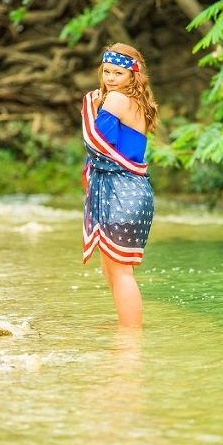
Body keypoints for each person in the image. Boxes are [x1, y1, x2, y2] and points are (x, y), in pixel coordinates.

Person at [81, 43, 159, 327]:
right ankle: (127, 334)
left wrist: (88, 110)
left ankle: (131, 341)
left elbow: (97, 145)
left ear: (132, 76)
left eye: (118, 73)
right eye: (107, 72)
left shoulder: (115, 100)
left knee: (120, 271)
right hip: (132, 189)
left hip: (120, 191)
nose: (111, 79)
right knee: (114, 270)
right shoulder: (138, 102)